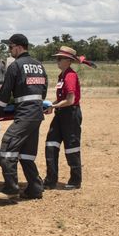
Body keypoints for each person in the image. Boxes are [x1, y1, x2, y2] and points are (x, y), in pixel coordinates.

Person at [0, 34, 48, 200]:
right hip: (36, 114)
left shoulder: (16, 66)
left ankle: (11, 189)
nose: (9, 51)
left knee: (8, 147)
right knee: (27, 153)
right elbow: (43, 91)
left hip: (25, 115)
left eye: (10, 47)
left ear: (19, 47)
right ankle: (35, 188)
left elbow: (5, 93)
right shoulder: (39, 65)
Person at [44, 46, 83, 190]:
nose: (57, 61)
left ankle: (75, 180)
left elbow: (70, 100)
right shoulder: (62, 75)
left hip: (71, 114)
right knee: (51, 145)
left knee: (71, 148)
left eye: (60, 58)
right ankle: (50, 180)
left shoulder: (70, 76)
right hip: (60, 113)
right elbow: (61, 98)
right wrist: (50, 105)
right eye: (57, 58)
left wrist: (54, 107)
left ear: (68, 60)